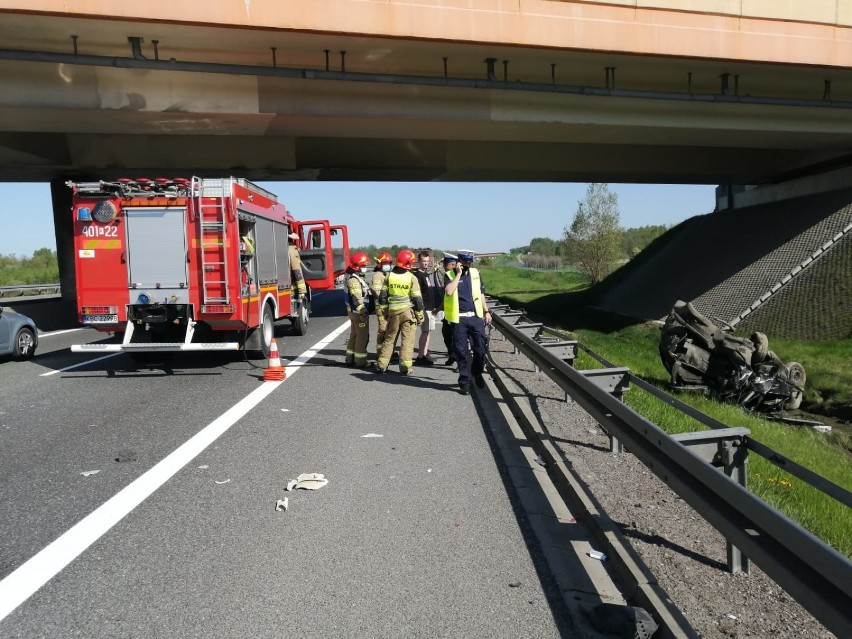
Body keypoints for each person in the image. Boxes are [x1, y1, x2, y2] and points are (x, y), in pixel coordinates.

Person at [443, 249, 492, 395]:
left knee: (480, 349)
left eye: (469, 262)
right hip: (459, 319)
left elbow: (481, 294)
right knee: (461, 352)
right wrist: (458, 274)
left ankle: (477, 372)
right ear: (459, 262)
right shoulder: (449, 275)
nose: (467, 265)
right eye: (464, 262)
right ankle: (464, 381)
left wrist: (486, 311)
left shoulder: (476, 274)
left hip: (476, 317)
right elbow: (449, 292)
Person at [374, 249, 424, 375]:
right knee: (407, 341)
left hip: (393, 313)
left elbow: (382, 297)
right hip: (408, 313)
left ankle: (381, 365)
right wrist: (420, 316)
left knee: (389, 339)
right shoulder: (412, 278)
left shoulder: (389, 276)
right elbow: (418, 300)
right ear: (408, 263)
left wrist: (385, 311)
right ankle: (405, 367)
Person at [412, 250, 441, 366]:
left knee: (428, 331)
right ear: (419, 261)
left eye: (427, 261)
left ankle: (425, 353)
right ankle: (420, 356)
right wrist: (421, 309)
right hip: (424, 308)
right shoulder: (418, 275)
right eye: (424, 261)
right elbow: (417, 294)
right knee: (425, 331)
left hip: (430, 308)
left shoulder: (426, 274)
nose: (426, 263)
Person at [344, 252, 372, 367]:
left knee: (354, 335)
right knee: (362, 337)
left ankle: (350, 358)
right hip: (359, 314)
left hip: (353, 313)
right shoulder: (354, 280)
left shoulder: (353, 277)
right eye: (363, 265)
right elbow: (356, 298)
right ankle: (360, 361)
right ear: (356, 266)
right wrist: (363, 311)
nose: (365, 268)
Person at [437, 253, 458, 366]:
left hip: (458, 313)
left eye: (445, 264)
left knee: (457, 338)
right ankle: (452, 355)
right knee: (447, 335)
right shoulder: (448, 274)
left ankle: (458, 360)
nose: (444, 267)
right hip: (450, 312)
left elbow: (448, 293)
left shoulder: (450, 275)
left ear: (452, 264)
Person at [371, 252, 394, 348]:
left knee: (388, 329)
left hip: (387, 307)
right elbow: (376, 292)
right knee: (383, 329)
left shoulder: (387, 274)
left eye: (388, 263)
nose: (387, 266)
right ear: (380, 264)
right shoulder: (378, 275)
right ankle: (381, 352)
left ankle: (387, 351)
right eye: (385, 264)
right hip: (381, 308)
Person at [288, 231, 307, 298]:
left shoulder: (286, 229)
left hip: (290, 248)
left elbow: (296, 237)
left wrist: (287, 234)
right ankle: (293, 291)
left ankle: (302, 292)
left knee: (296, 270)